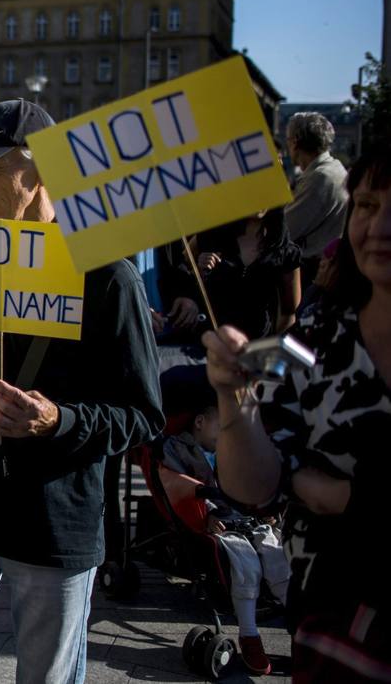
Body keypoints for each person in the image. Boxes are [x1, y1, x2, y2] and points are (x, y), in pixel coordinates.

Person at [0, 100, 163, 683]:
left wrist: (57, 421)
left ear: (42, 169)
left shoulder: (108, 276)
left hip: (53, 524)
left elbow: (144, 415)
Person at [202, 145, 391, 681]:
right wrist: (234, 397)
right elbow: (256, 488)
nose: (380, 228)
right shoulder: (319, 335)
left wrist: (342, 496)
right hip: (331, 634)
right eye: (368, 205)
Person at [161, 403, 289, 675]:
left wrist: (266, 507)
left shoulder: (232, 448)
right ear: (200, 422)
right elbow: (177, 486)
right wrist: (205, 514)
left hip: (249, 518)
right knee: (247, 566)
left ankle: (300, 626)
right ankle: (249, 634)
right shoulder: (177, 448)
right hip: (219, 521)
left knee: (278, 558)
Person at [194, 208, 302, 338]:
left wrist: (273, 345)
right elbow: (186, 273)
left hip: (255, 342)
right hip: (209, 336)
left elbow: (289, 312)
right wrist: (199, 268)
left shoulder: (286, 252)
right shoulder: (211, 234)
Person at [283, 112, 347, 288]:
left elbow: (286, 229)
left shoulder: (320, 178)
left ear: (295, 142)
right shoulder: (332, 168)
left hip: (312, 273)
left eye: (288, 140)